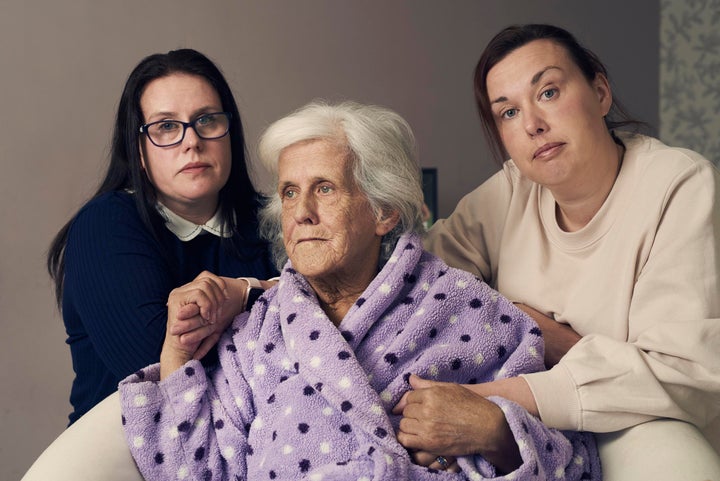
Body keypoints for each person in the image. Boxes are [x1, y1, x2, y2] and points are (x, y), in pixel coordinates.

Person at [23, 101, 601, 481]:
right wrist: (176, 357)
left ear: (383, 210)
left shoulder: (469, 310)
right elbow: (193, 468)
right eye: (290, 192)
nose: (300, 212)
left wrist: (499, 435)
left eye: (324, 188)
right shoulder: (255, 332)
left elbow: (577, 459)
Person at [394, 23, 720, 480]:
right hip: (535, 432)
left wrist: (502, 382)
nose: (532, 125)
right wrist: (267, 289)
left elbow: (679, 374)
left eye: (548, 92)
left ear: (600, 92)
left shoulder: (680, 185)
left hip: (647, 432)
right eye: (507, 113)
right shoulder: (511, 190)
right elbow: (406, 276)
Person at [46, 48, 277, 425]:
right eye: (166, 126)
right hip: (124, 454)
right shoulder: (104, 224)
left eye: (207, 119)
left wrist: (241, 294)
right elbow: (162, 371)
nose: (192, 141)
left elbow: (335, 317)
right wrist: (266, 293)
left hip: (258, 445)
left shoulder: (273, 217)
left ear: (228, 133)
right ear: (138, 151)